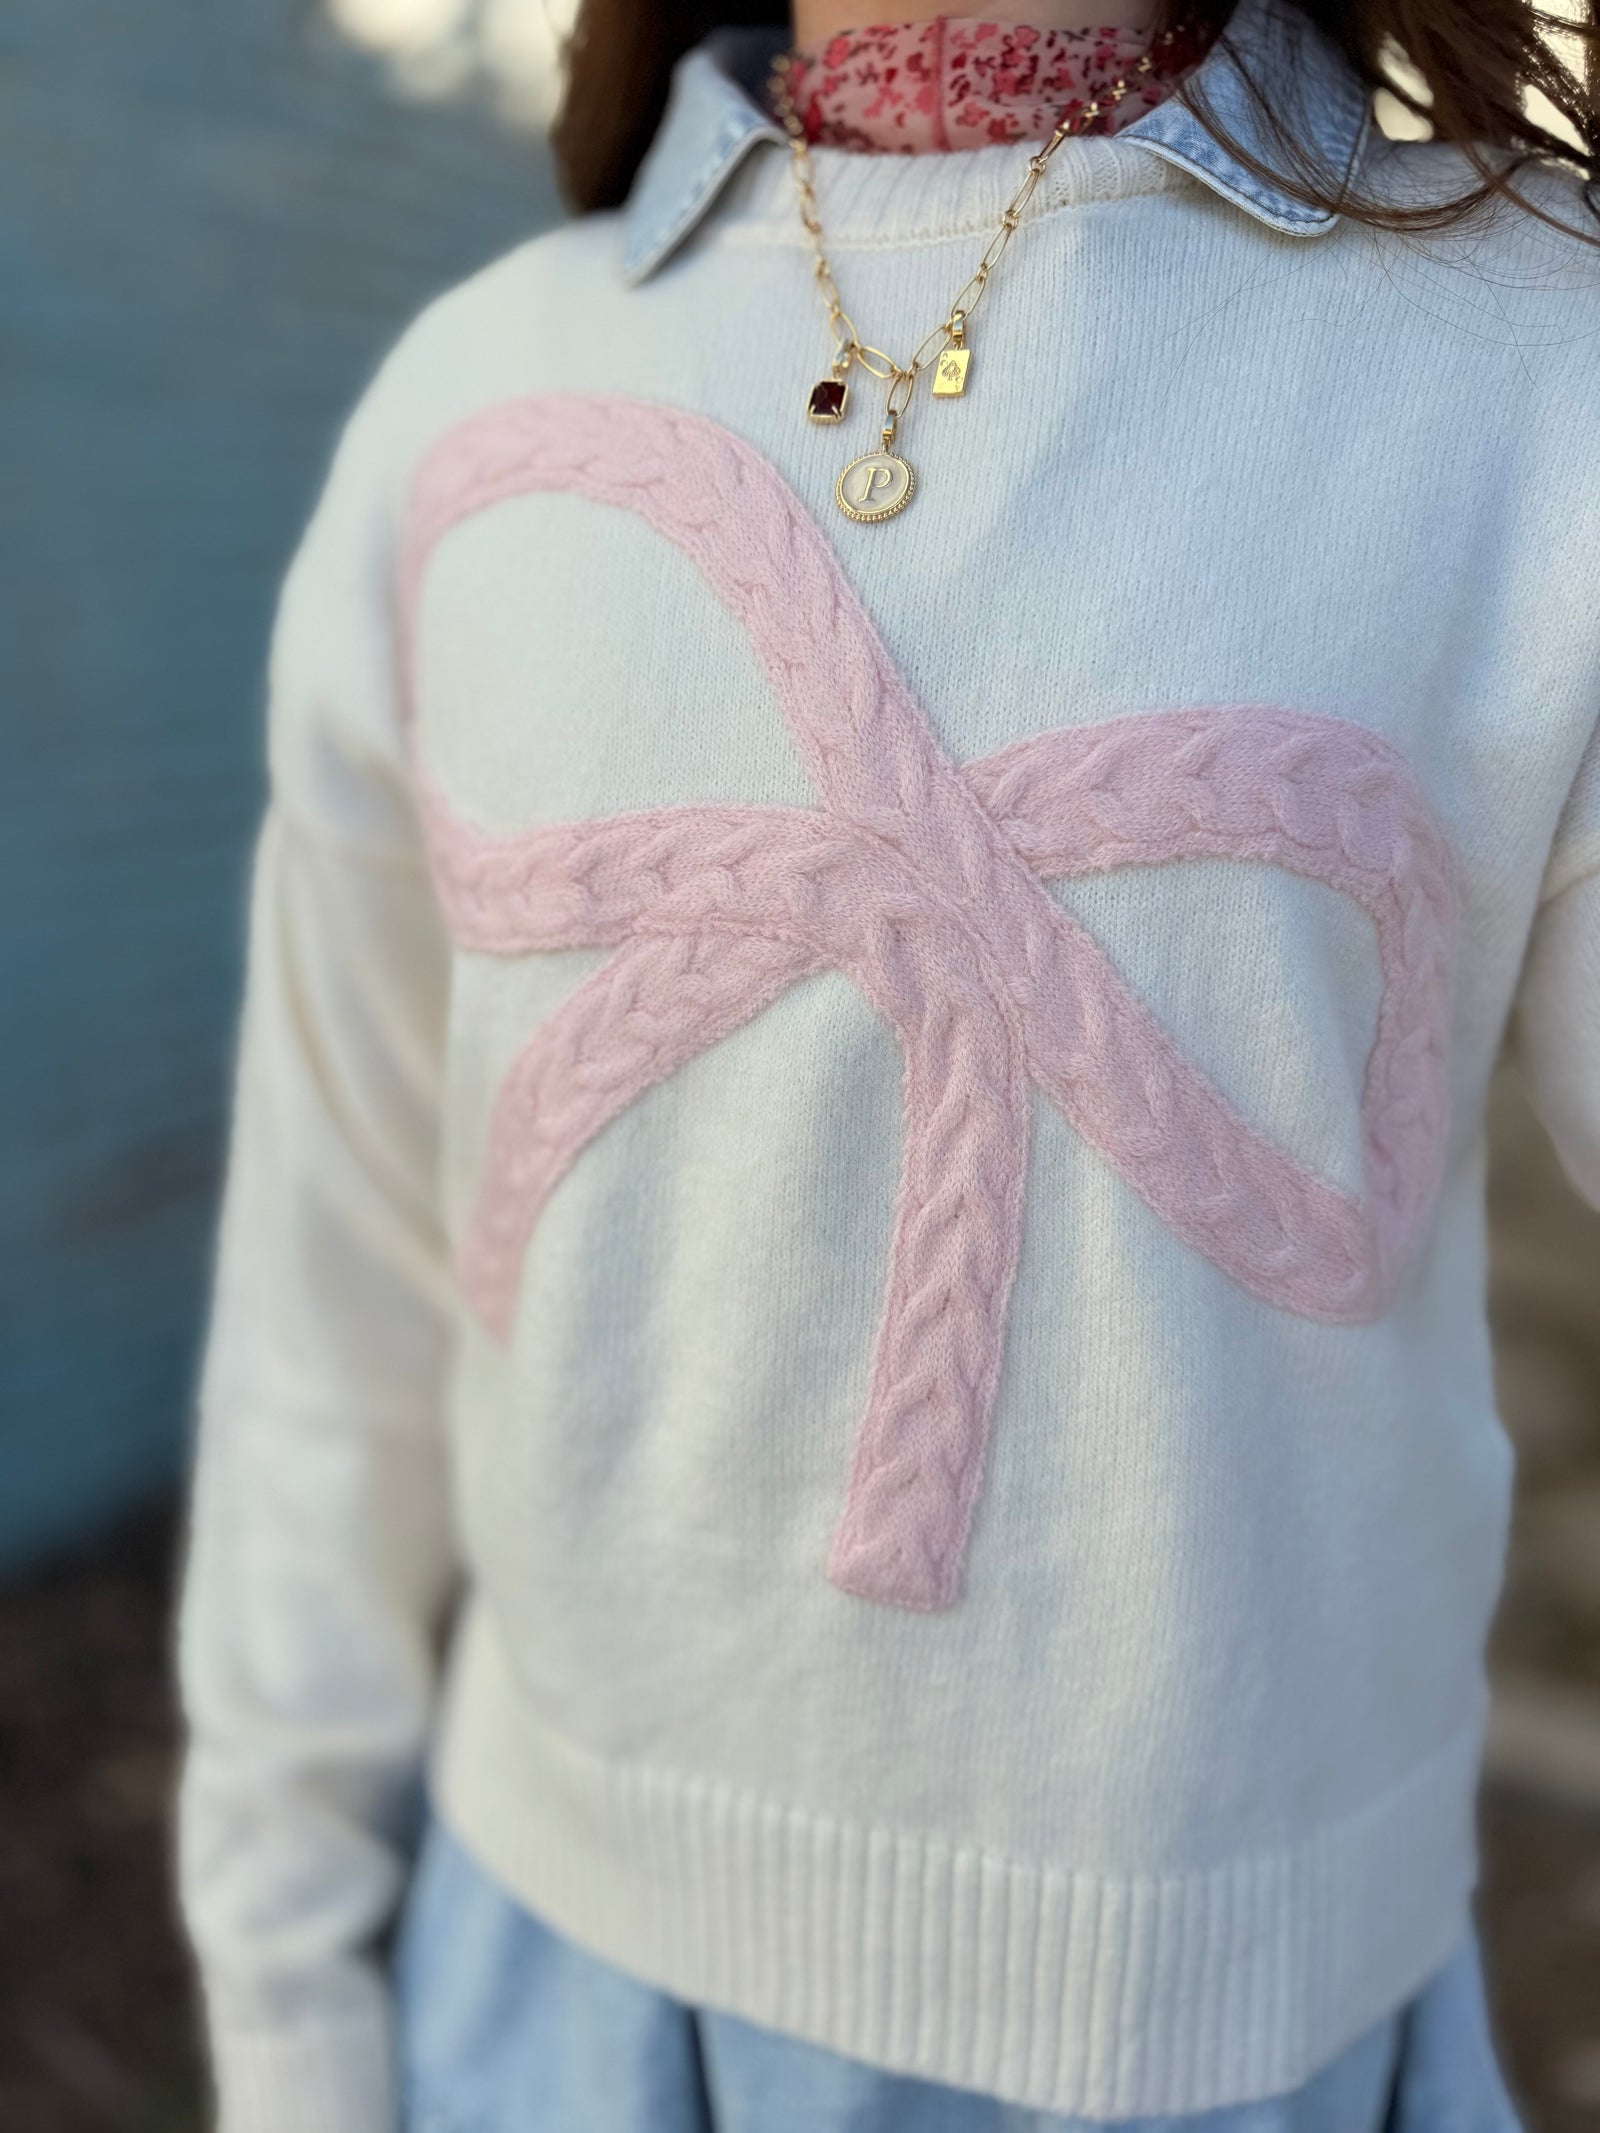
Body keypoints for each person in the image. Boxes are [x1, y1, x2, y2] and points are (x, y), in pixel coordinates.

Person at [175, 0, 1600, 2125]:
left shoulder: (1533, 361)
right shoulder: (476, 386)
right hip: (535, 1998)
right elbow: (337, 1291)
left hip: (1215, 2046)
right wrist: (289, 1998)